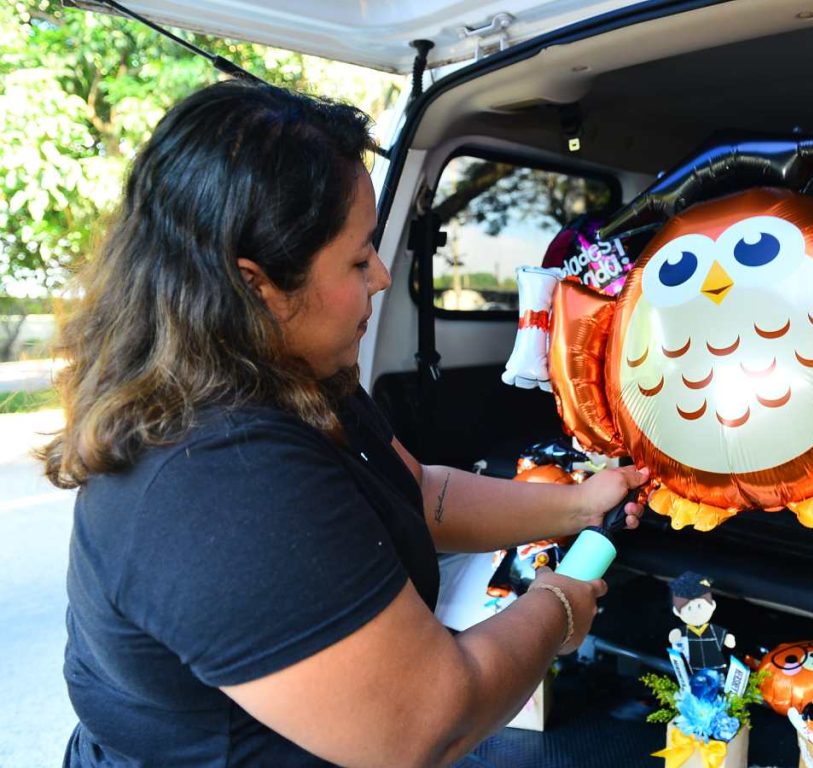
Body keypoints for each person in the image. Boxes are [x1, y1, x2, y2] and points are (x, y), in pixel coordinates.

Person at [42, 79, 648, 768]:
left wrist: (578, 503)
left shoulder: (292, 372)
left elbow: (420, 496)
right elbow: (426, 726)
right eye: (358, 259)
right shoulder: (216, 480)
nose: (384, 277)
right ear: (255, 286)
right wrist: (559, 609)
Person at [667, 572, 735, 673]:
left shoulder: (713, 629)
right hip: (694, 669)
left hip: (715, 668)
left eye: (699, 606)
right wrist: (676, 635)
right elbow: (676, 639)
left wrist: (727, 639)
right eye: (689, 608)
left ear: (712, 606)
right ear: (677, 612)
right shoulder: (684, 632)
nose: (695, 612)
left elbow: (724, 637)